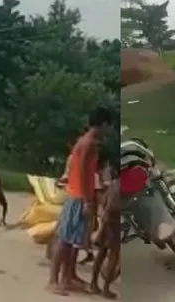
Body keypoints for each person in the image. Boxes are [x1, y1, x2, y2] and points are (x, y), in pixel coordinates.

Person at [47, 106, 111, 296]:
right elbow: (83, 173)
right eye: (107, 126)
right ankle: (53, 280)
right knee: (65, 240)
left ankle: (68, 277)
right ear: (102, 124)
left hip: (80, 195)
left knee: (74, 240)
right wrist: (86, 200)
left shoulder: (88, 143)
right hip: (78, 197)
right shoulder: (88, 143)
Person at [89, 178, 120, 299]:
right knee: (114, 254)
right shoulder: (122, 185)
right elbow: (113, 206)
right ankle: (106, 288)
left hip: (107, 220)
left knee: (102, 252)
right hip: (114, 221)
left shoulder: (114, 183)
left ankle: (93, 283)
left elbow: (104, 202)